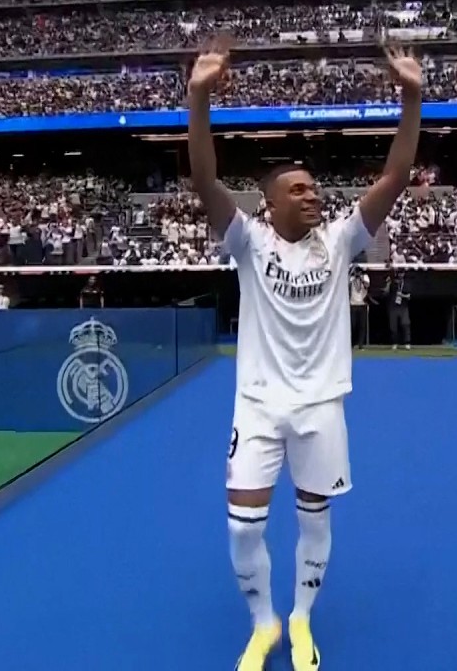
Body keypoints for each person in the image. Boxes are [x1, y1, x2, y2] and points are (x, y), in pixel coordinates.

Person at [186, 37, 422, 671]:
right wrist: (199, 95)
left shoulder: (340, 241)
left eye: (315, 188)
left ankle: (300, 618)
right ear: (270, 203)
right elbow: (205, 179)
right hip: (259, 405)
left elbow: (395, 177)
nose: (313, 195)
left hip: (321, 404)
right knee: (243, 526)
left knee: (315, 521)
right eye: (299, 189)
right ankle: (263, 624)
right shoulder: (247, 241)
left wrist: (411, 97)